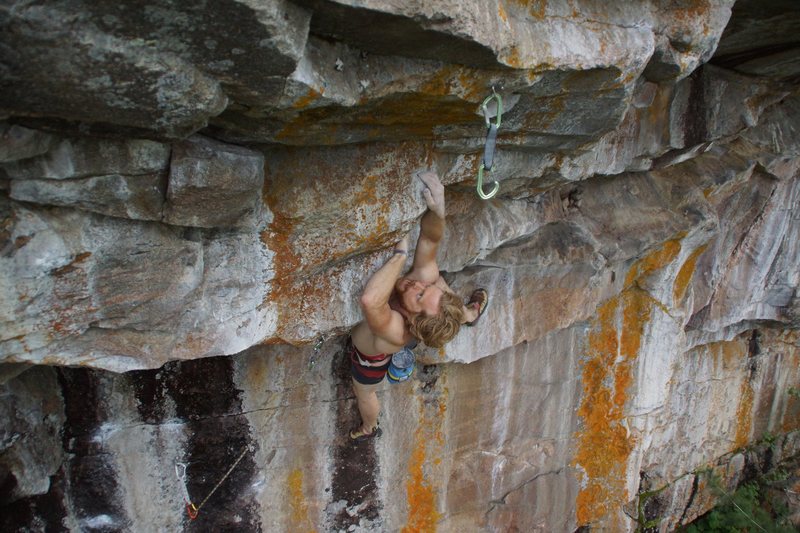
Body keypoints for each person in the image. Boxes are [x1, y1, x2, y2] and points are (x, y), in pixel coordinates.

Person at [348, 170, 488, 441]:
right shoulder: (423, 287)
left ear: (413, 319)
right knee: (437, 282)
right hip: (424, 321)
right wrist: (438, 211)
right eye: (425, 289)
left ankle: (369, 427)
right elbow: (429, 240)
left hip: (371, 360)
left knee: (364, 392)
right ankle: (468, 314)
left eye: (420, 296)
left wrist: (400, 256)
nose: (417, 286)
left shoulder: (397, 332)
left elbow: (371, 301)